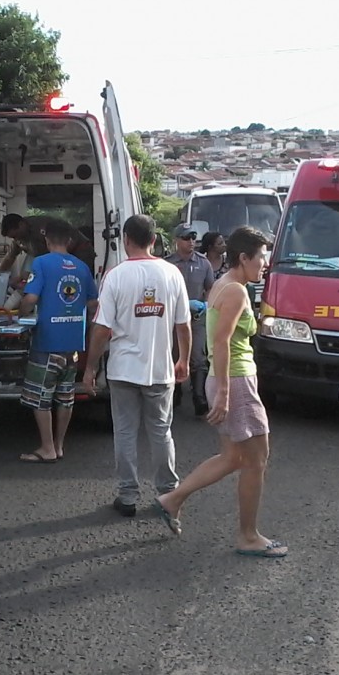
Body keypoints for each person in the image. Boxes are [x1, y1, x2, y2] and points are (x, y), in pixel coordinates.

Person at [154, 227, 287, 558]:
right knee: (256, 461)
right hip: (235, 380)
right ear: (244, 258)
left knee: (233, 458)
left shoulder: (225, 284)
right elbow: (221, 342)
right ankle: (248, 536)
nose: (265, 264)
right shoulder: (236, 292)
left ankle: (172, 499)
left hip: (229, 378)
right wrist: (226, 393)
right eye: (261, 257)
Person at [83, 214, 191, 517]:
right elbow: (183, 324)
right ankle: (168, 494)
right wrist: (183, 358)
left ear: (125, 240)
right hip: (159, 370)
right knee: (161, 432)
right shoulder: (172, 274)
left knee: (126, 433)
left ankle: (128, 496)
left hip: (122, 370)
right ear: (154, 240)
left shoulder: (116, 276)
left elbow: (102, 329)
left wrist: (90, 368)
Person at [17, 218, 98, 463]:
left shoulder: (41, 263)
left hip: (47, 342)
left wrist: (21, 312)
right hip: (73, 343)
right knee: (66, 396)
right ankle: (60, 446)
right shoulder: (82, 267)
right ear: (70, 241)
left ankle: (47, 447)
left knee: (41, 397)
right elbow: (94, 304)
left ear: (46, 239)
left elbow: (30, 299)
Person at [166, 223, 215, 416]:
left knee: (198, 358)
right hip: (173, 320)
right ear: (176, 241)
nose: (191, 242)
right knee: (173, 356)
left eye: (193, 238)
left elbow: (210, 289)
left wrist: (206, 306)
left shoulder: (204, 263)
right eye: (186, 238)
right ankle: (175, 394)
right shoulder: (168, 263)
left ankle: (199, 398)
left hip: (196, 318)